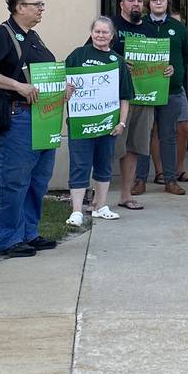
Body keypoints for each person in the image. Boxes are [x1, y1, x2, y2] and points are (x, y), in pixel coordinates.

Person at [0, 0, 61, 256]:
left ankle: (29, 232)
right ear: (19, 7)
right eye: (36, 4)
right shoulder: (0, 35)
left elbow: (44, 74)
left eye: (42, 4)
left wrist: (62, 89)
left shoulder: (34, 36)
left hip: (41, 117)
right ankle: (7, 239)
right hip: (16, 118)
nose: (42, 9)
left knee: (38, 179)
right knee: (14, 180)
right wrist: (17, 87)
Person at [63, 16, 132, 226]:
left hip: (107, 125)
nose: (100, 35)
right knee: (79, 165)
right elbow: (61, 82)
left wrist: (121, 123)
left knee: (103, 165)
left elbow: (125, 96)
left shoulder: (117, 61)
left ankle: (100, 206)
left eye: (105, 32)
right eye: (97, 31)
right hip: (81, 123)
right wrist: (65, 90)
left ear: (112, 36)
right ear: (91, 33)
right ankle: (76, 211)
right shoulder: (77, 55)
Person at [140, 0, 188, 193]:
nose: (158, 2)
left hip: (171, 91)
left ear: (167, 2)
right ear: (149, 4)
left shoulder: (178, 28)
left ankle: (171, 180)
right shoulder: (140, 26)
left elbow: (186, 57)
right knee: (144, 136)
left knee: (169, 136)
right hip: (144, 92)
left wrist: (174, 68)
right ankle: (140, 180)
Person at [111, 0, 155, 211]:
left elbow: (160, 60)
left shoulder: (150, 29)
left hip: (144, 97)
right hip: (115, 100)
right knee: (109, 146)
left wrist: (166, 70)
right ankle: (93, 196)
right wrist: (119, 61)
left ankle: (126, 196)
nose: (136, 4)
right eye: (131, 0)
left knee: (134, 148)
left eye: (139, 0)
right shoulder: (110, 27)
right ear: (122, 5)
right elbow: (91, 54)